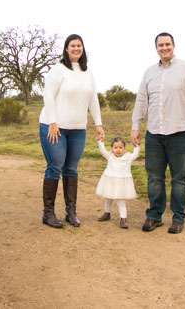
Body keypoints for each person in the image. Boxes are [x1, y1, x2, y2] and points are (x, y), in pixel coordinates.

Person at [131, 32, 185, 234]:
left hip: (180, 132)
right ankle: (154, 216)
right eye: (160, 45)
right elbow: (141, 100)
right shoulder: (149, 73)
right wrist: (135, 126)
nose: (164, 48)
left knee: (179, 178)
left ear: (174, 46)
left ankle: (178, 218)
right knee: (154, 177)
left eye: (167, 44)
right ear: (156, 48)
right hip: (154, 133)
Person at [39, 33, 104, 228]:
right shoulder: (58, 70)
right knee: (55, 166)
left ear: (83, 49)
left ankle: (71, 212)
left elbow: (93, 99)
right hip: (55, 127)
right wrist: (52, 122)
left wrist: (98, 124)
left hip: (78, 129)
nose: (76, 48)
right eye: (72, 46)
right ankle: (48, 213)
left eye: (79, 46)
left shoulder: (87, 72)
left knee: (71, 169)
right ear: (66, 49)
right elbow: (48, 96)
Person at [95, 135, 141, 229]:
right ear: (112, 148)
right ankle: (107, 213)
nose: (118, 150)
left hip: (121, 183)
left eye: (120, 147)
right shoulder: (110, 156)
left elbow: (135, 155)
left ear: (124, 148)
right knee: (108, 198)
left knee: (120, 200)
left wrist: (137, 146)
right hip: (110, 181)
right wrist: (100, 142)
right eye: (116, 148)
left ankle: (123, 219)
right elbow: (102, 151)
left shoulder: (128, 157)